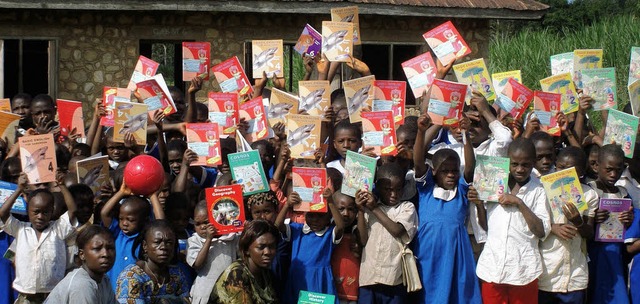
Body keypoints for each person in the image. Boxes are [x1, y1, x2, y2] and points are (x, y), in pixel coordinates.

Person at [411, 112, 482, 303]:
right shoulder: (426, 189)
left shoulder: (460, 190)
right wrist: (420, 131)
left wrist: (466, 134)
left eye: (453, 170)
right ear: (434, 171)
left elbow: (470, 168)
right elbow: (418, 160)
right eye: (445, 171)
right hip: (428, 250)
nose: (450, 174)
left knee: (458, 292)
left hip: (456, 251)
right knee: (429, 291)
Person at [475, 137, 551, 304]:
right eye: (515, 164)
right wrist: (479, 204)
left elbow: (541, 231)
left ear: (533, 163)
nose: (519, 169)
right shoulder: (494, 183)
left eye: (525, 165)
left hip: (523, 269)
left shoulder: (538, 190)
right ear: (507, 161)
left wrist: (519, 203)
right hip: (493, 267)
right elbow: (486, 226)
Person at [0, 173, 77, 304]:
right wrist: (19, 189)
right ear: (28, 211)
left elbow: (73, 210)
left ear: (52, 212)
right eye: (36, 212)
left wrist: (62, 186)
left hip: (53, 293)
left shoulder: (58, 229)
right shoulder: (21, 229)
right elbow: (3, 214)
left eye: (45, 212)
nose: (40, 216)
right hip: (26, 294)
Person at [537, 147, 596, 303]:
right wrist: (552, 227)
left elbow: (589, 233)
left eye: (571, 170)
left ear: (581, 171)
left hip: (575, 275)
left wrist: (578, 221)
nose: (564, 173)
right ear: (555, 165)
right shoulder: (541, 190)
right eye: (561, 167)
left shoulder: (589, 195)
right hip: (547, 273)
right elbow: (532, 224)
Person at [356, 163, 418, 303]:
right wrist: (360, 210)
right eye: (388, 189)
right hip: (369, 277)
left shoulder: (406, 207)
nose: (393, 194)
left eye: (398, 189)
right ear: (377, 188)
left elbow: (397, 230)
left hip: (393, 278)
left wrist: (374, 208)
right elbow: (363, 240)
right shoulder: (367, 209)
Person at [585, 144, 637, 304]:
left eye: (619, 169)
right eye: (609, 169)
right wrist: (593, 220)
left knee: (617, 295)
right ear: (596, 166)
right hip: (594, 255)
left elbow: (630, 231)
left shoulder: (623, 193)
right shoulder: (589, 191)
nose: (614, 174)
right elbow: (581, 226)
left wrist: (628, 220)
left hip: (616, 256)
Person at [276, 187, 345, 303]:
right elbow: (277, 226)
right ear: (305, 214)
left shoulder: (328, 234)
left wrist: (331, 202)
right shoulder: (297, 230)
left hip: (319, 279)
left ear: (329, 217)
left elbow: (341, 227)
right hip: (298, 277)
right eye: (311, 215)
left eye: (321, 216)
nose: (315, 220)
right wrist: (287, 204)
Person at [101, 180, 164, 292]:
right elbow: (104, 213)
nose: (124, 223)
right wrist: (121, 193)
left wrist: (153, 197)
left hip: (135, 294)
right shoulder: (116, 233)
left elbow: (161, 225)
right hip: (113, 293)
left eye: (131, 220)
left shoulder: (146, 238)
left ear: (144, 220)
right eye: (121, 219)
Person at [116, 220, 191, 303]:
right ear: (145, 246)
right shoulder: (132, 277)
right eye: (157, 242)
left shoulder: (176, 274)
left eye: (169, 243)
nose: (164, 247)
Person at [209, 219, 279, 304]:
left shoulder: (266, 273)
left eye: (272, 246)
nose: (267, 252)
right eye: (261, 247)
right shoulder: (236, 275)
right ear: (246, 249)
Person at [44, 225, 117, 304]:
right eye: (97, 249)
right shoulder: (81, 285)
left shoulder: (104, 280)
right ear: (82, 255)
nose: (105, 254)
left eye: (110, 248)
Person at [187, 202, 238, 304]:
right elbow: (197, 264)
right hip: (205, 291)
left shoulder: (230, 237)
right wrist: (208, 240)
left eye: (206, 222)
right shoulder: (194, 240)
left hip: (230, 289)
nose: (202, 227)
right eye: (198, 224)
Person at [330, 191, 361, 303]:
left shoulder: (357, 230)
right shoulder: (329, 230)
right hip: (332, 289)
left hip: (351, 290)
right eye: (341, 209)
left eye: (351, 209)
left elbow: (363, 240)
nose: (346, 213)